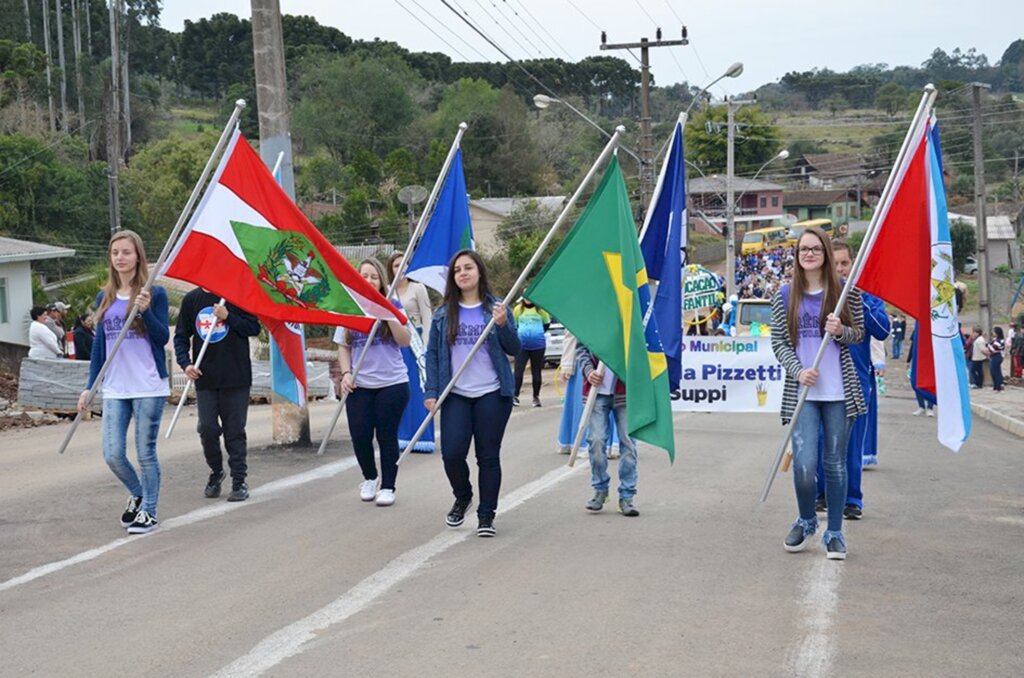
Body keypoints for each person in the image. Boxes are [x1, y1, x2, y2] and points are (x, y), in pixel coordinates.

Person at [770, 226, 865, 560]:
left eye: (814, 249)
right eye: (802, 250)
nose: (808, 254)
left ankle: (835, 532)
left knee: (835, 464)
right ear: (797, 256)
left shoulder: (844, 292)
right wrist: (798, 371)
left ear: (825, 253)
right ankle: (807, 519)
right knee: (805, 464)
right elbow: (779, 343)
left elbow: (859, 335)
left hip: (840, 393)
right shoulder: (784, 295)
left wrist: (841, 331)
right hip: (804, 394)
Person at [77, 230, 170, 535]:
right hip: (116, 387)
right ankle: (139, 493)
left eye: (126, 252)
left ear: (138, 256)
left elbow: (162, 338)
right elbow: (99, 351)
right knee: (113, 453)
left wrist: (143, 312)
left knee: (145, 452)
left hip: (147, 385)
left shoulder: (153, 294)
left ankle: (149, 511)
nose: (120, 257)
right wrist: (90, 387)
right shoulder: (103, 297)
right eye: (115, 252)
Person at [424, 250, 519, 537]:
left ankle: (486, 515)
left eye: (468, 268)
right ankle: (463, 495)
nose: (463, 273)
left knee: (488, 456)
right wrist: (431, 391)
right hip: (456, 394)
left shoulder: (497, 309)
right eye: (457, 270)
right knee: (452, 454)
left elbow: (514, 348)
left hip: (492, 392)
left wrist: (503, 325)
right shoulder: (443, 314)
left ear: (479, 272)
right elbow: (433, 355)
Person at [815, 239, 889, 510]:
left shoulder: (866, 293)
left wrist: (858, 296)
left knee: (851, 442)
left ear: (853, 264)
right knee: (822, 439)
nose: (840, 269)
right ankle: (822, 494)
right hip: (822, 380)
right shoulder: (814, 295)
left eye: (845, 263)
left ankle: (852, 499)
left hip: (856, 380)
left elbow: (882, 330)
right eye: (834, 264)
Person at [336, 258, 411, 506]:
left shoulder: (392, 304)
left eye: (373, 276)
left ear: (381, 281)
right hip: (360, 385)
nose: (368, 280)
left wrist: (387, 312)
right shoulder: (349, 306)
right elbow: (343, 346)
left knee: (386, 435)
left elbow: (404, 340)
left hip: (392, 383)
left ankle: (388, 485)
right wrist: (346, 374)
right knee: (360, 435)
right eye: (363, 276)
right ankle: (370, 477)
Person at [174, 288, 261, 501]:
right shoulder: (192, 299)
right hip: (206, 377)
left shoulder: (236, 295)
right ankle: (216, 471)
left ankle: (239, 481)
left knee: (234, 431)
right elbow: (181, 337)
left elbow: (253, 327)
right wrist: (186, 365)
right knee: (207, 428)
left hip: (236, 376)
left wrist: (228, 317)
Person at [576, 341, 639, 517]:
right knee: (595, 440)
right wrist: (588, 371)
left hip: (625, 391)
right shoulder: (594, 317)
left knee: (628, 443)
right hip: (597, 392)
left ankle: (627, 495)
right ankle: (600, 488)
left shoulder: (631, 316)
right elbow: (581, 347)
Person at [387, 251, 435, 453]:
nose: (401, 269)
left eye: (404, 265)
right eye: (396, 265)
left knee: (418, 391)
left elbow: (427, 318)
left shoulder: (418, 288)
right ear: (390, 269)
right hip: (397, 347)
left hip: (416, 348)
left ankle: (422, 437)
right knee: (399, 392)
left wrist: (425, 348)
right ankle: (401, 436)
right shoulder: (388, 291)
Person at [512, 298, 550, 407]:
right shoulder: (518, 309)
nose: (528, 300)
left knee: (536, 371)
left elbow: (546, 325)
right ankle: (515, 395)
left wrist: (536, 332)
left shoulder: (541, 310)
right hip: (521, 346)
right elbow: (515, 325)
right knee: (518, 371)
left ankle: (536, 397)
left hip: (538, 346)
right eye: (525, 298)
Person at [907, 328, 936, 417]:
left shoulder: (934, 330)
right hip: (919, 361)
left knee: (930, 384)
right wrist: (909, 360)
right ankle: (921, 406)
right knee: (917, 384)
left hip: (931, 361)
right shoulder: (917, 330)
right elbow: (913, 346)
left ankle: (930, 408)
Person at [988, 326, 1005, 392]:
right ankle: (996, 386)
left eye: (994, 331)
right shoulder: (995, 339)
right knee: (993, 371)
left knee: (996, 371)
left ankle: (998, 386)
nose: (993, 332)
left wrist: (988, 345)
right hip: (994, 356)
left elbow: (993, 349)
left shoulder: (999, 340)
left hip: (997, 356)